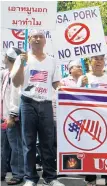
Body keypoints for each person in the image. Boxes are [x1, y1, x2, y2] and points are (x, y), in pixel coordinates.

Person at [11, 30, 64, 186]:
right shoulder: (22, 59)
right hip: (27, 103)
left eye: (40, 36)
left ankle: (50, 178)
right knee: (29, 143)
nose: (37, 39)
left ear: (45, 40)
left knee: (47, 143)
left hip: (46, 105)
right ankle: (30, 178)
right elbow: (16, 82)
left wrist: (64, 89)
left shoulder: (52, 61)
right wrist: (21, 64)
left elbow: (56, 83)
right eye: (34, 36)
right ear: (29, 39)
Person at [77, 54, 107, 186]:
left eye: (101, 59)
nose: (99, 62)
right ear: (90, 61)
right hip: (89, 120)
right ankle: (90, 178)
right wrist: (81, 86)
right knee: (90, 148)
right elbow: (75, 98)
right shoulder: (84, 78)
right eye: (96, 59)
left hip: (106, 119)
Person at [1, 47, 24, 185]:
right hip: (3, 116)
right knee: (3, 147)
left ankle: (18, 173)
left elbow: (16, 97)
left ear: (8, 58)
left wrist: (12, 115)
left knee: (16, 147)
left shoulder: (16, 74)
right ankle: (2, 172)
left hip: (12, 117)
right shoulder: (5, 73)